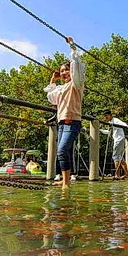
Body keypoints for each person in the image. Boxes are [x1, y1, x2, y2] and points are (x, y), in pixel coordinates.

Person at [44, 37, 85, 190]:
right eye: (61, 71)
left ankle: (66, 182)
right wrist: (52, 79)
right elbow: (51, 98)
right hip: (61, 124)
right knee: (62, 152)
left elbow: (77, 66)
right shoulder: (60, 89)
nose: (64, 73)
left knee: (62, 150)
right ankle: (64, 179)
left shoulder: (76, 84)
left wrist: (72, 46)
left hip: (72, 122)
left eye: (66, 70)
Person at [100, 109, 128, 179]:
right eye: (104, 116)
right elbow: (108, 132)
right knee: (120, 157)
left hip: (119, 140)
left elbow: (122, 123)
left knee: (115, 156)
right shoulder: (111, 123)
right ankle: (126, 174)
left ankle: (117, 175)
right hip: (119, 139)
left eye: (106, 116)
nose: (105, 118)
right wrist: (99, 130)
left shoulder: (115, 120)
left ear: (110, 115)